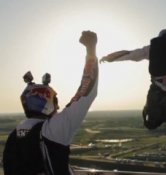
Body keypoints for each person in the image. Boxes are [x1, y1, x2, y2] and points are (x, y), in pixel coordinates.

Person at [2, 30, 99, 175]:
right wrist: (91, 50)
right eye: (55, 101)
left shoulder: (13, 137)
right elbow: (85, 93)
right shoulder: (51, 130)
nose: (58, 107)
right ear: (45, 102)